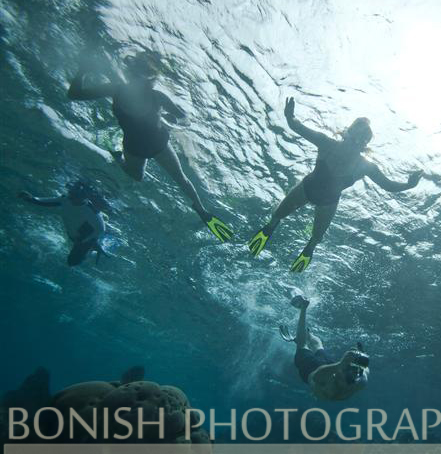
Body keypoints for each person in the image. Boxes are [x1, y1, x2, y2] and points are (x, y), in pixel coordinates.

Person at [67, 51, 233, 242]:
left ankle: (201, 210)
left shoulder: (157, 96)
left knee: (180, 178)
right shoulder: (117, 89)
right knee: (137, 176)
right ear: (135, 74)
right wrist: (82, 71)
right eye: (145, 76)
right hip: (136, 147)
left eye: (151, 78)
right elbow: (74, 94)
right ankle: (117, 155)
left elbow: (185, 118)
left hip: (158, 143)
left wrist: (174, 120)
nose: (147, 82)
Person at [249, 97, 422, 272]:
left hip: (321, 197)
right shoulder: (334, 147)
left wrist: (409, 185)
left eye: (361, 138)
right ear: (349, 133)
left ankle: (301, 244)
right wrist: (289, 117)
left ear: (364, 143)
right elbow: (297, 127)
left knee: (312, 235)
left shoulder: (361, 163)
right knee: (283, 218)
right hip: (316, 193)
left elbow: (388, 185)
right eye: (357, 135)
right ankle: (274, 231)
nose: (356, 141)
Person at [279, 295, 369, 401]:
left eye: (340, 377)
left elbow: (317, 375)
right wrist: (359, 355)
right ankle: (306, 330)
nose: (338, 374)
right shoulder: (361, 379)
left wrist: (340, 364)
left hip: (311, 370)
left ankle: (304, 311)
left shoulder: (330, 391)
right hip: (330, 364)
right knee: (317, 346)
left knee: (303, 344)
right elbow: (365, 367)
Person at [18, 180, 110, 266]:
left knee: (73, 259)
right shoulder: (65, 199)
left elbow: (100, 230)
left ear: (84, 197)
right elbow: (45, 202)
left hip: (81, 237)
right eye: (71, 194)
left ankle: (92, 248)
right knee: (73, 259)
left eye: (74, 195)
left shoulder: (91, 211)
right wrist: (31, 199)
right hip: (79, 237)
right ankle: (91, 248)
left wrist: (84, 241)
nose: (71, 197)